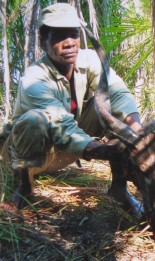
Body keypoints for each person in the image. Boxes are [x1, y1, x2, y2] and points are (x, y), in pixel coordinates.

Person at [0, 3, 142, 211]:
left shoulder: (90, 59)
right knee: (33, 120)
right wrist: (105, 151)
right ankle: (25, 185)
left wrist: (136, 134)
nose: (69, 43)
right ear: (43, 41)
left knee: (110, 111)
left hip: (65, 152)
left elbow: (118, 93)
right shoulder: (34, 79)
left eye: (73, 35)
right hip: (29, 155)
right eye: (58, 36)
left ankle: (119, 189)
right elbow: (63, 127)